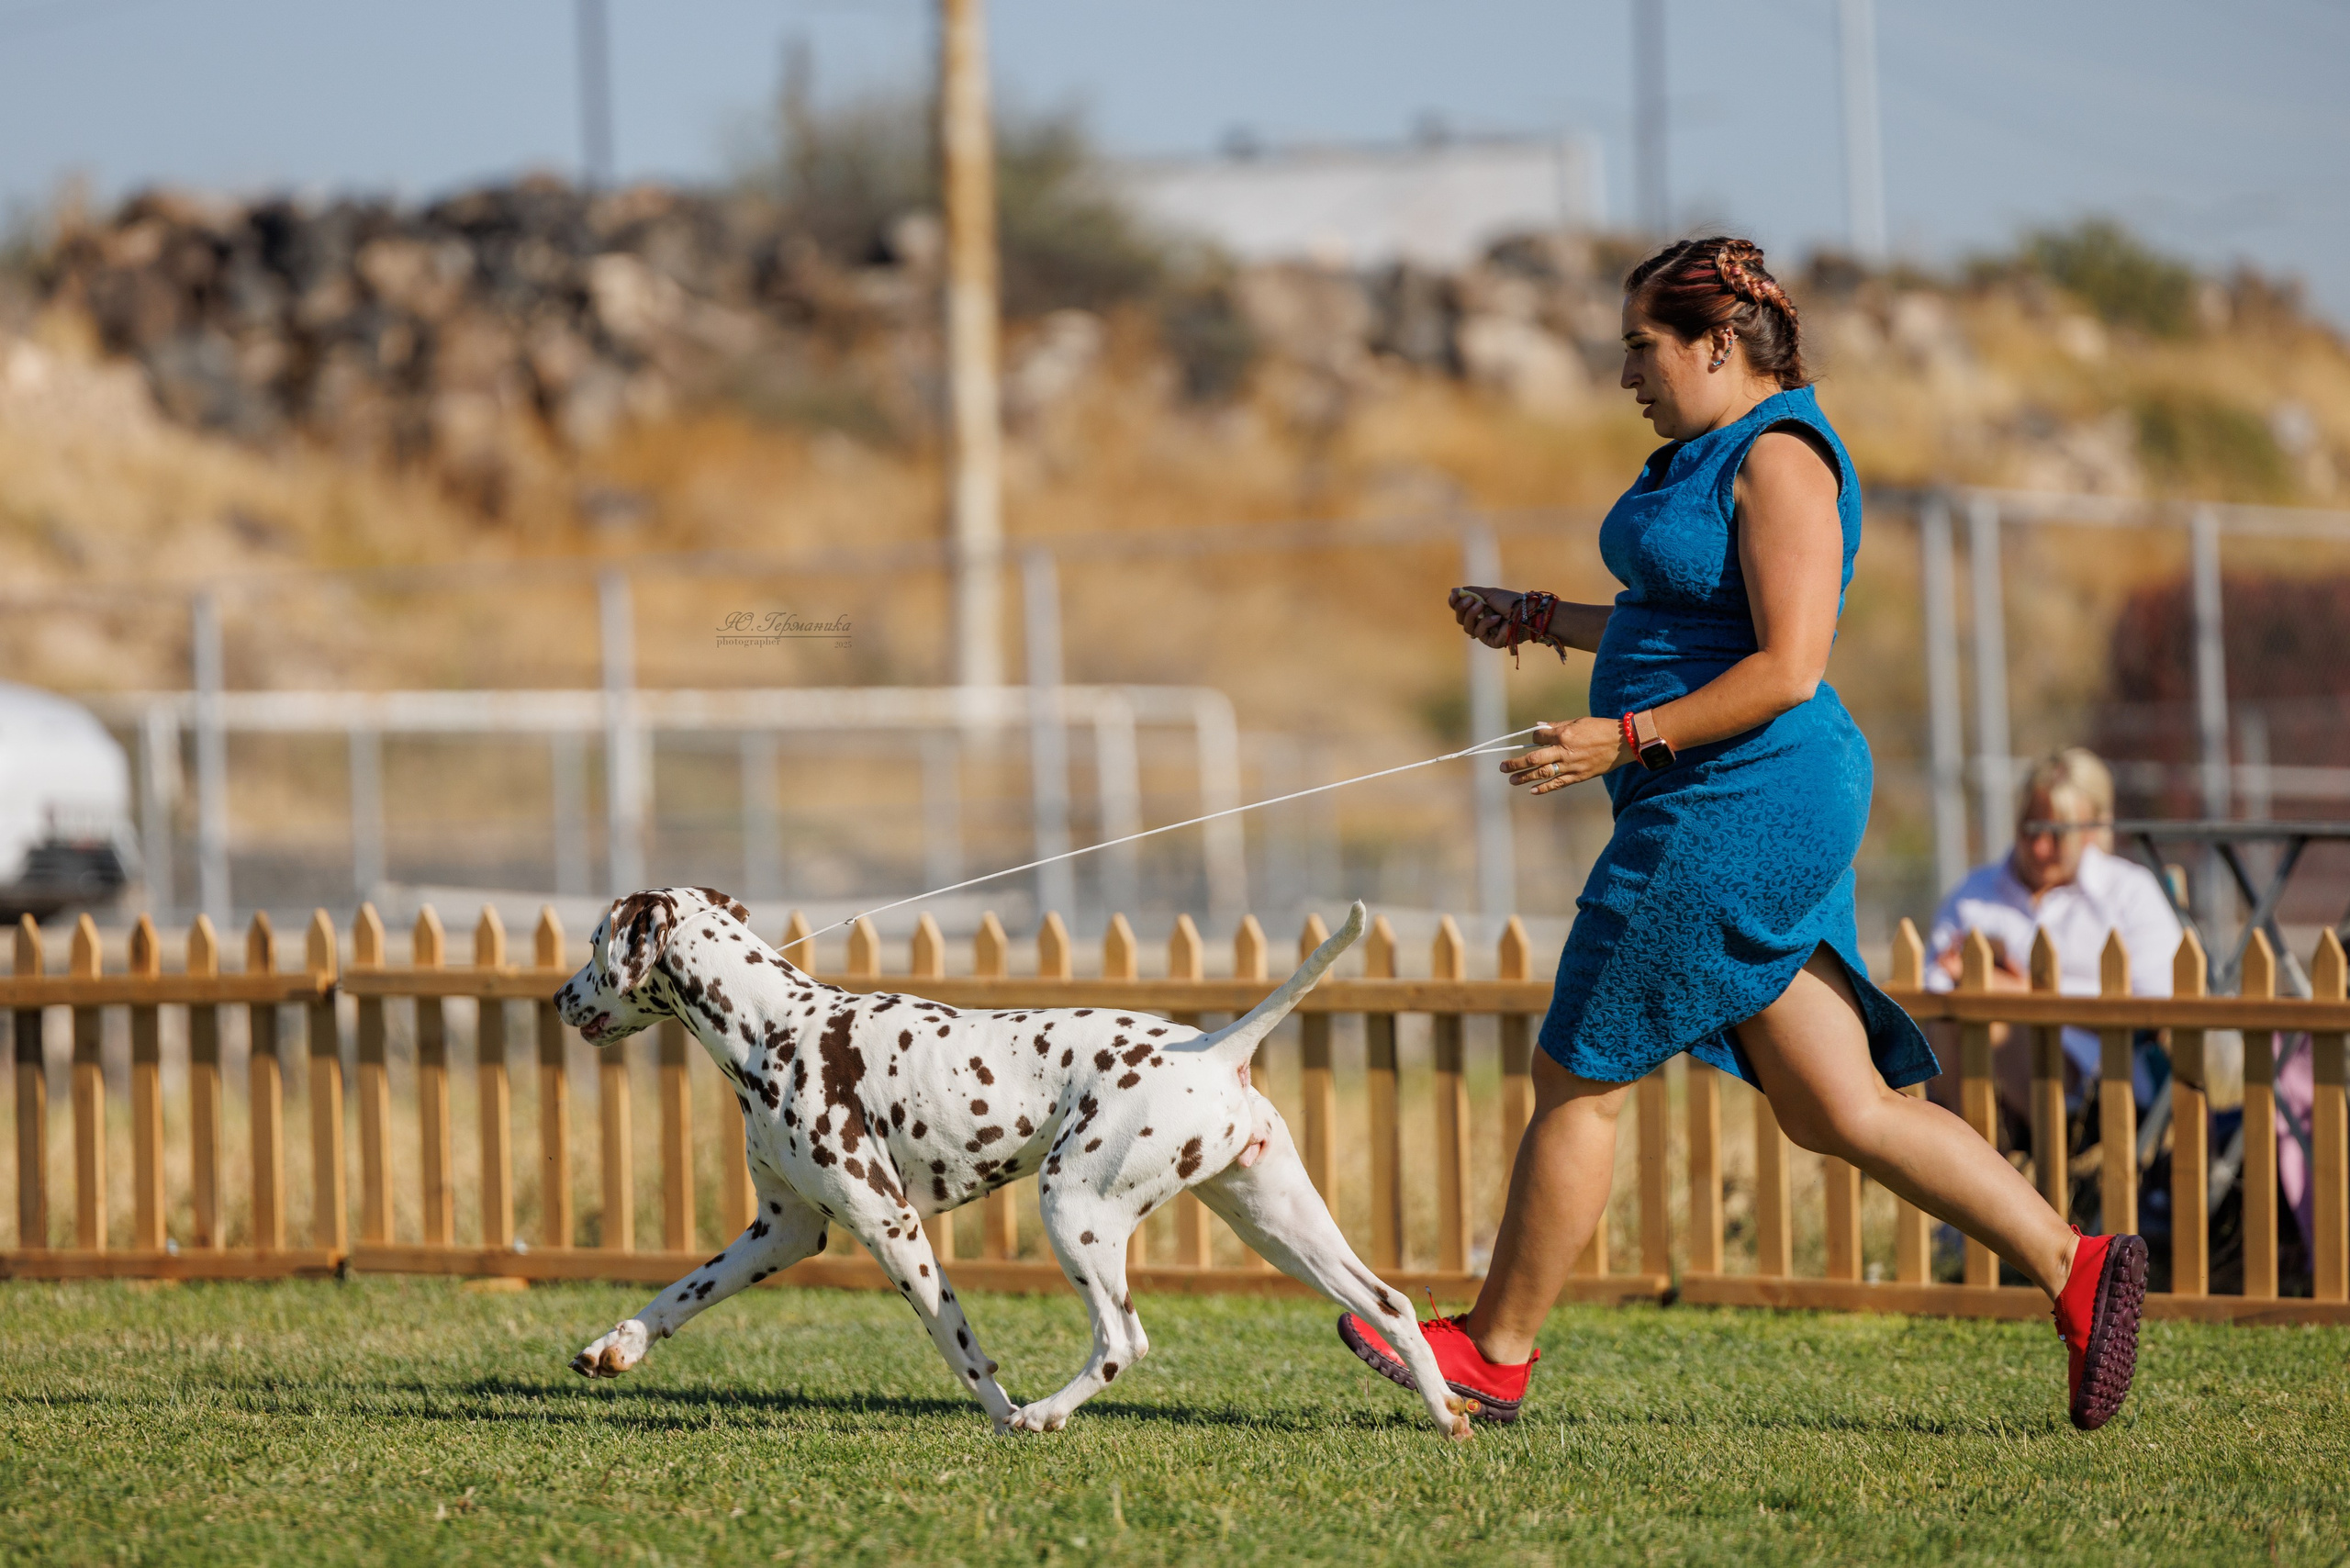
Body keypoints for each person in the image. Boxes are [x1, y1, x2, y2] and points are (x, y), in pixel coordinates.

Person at [1335, 237, 2146, 1434]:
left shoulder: (1782, 458)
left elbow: (1788, 665)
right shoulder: (1707, 454)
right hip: (1721, 790)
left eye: (1641, 349)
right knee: (1836, 1107)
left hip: (1740, 798)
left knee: (1577, 1071)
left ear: (1717, 343)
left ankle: (1492, 1355)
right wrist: (1544, 618)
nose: (1627, 376)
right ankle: (2077, 1267)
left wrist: (1624, 736)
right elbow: (1686, 618)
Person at [1922, 748, 2183, 1128]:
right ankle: (1970, 1144)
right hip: (1974, 1070)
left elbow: (2158, 1007)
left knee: (1991, 1023)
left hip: (2095, 1078)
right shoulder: (1972, 893)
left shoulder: (2128, 892)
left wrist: (2020, 992)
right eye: (2030, 829)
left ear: (2092, 829)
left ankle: (1969, 1151)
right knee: (1952, 1022)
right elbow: (1928, 989)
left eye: (2058, 834)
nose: (2040, 847)